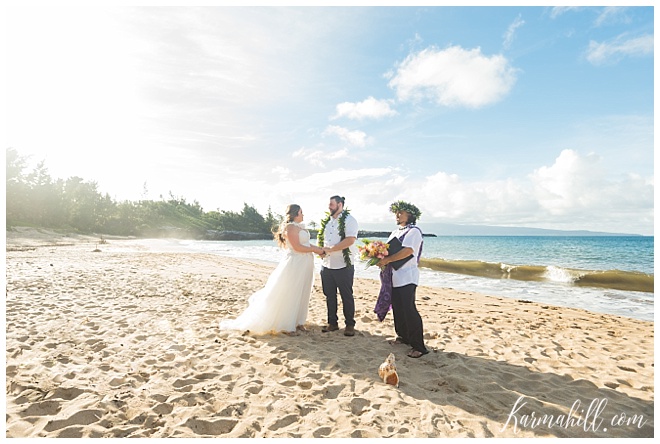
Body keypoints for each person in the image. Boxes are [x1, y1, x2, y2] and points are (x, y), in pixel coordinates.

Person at [219, 204, 325, 334]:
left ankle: (299, 322)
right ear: (295, 214)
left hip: (306, 263)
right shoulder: (290, 227)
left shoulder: (298, 227)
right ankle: (287, 324)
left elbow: (306, 244)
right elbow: (297, 247)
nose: (303, 215)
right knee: (292, 291)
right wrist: (314, 250)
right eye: (301, 212)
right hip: (296, 264)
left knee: (303, 291)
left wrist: (319, 250)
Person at [376, 200, 429, 358]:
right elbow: (387, 250)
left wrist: (388, 259)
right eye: (396, 213)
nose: (397, 215)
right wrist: (379, 258)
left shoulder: (414, 232)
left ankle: (419, 346)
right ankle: (403, 337)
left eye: (401, 213)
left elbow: (407, 251)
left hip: (407, 276)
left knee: (409, 309)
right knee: (398, 308)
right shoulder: (395, 232)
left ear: (410, 215)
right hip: (394, 276)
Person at [317, 195, 359, 336]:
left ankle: (349, 325)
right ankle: (332, 323)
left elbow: (350, 240)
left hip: (343, 264)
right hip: (327, 264)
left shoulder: (349, 220)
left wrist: (332, 248)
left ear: (340, 204)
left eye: (332, 204)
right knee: (329, 295)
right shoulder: (328, 222)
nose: (329, 207)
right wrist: (322, 251)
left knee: (346, 295)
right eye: (329, 204)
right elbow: (324, 240)